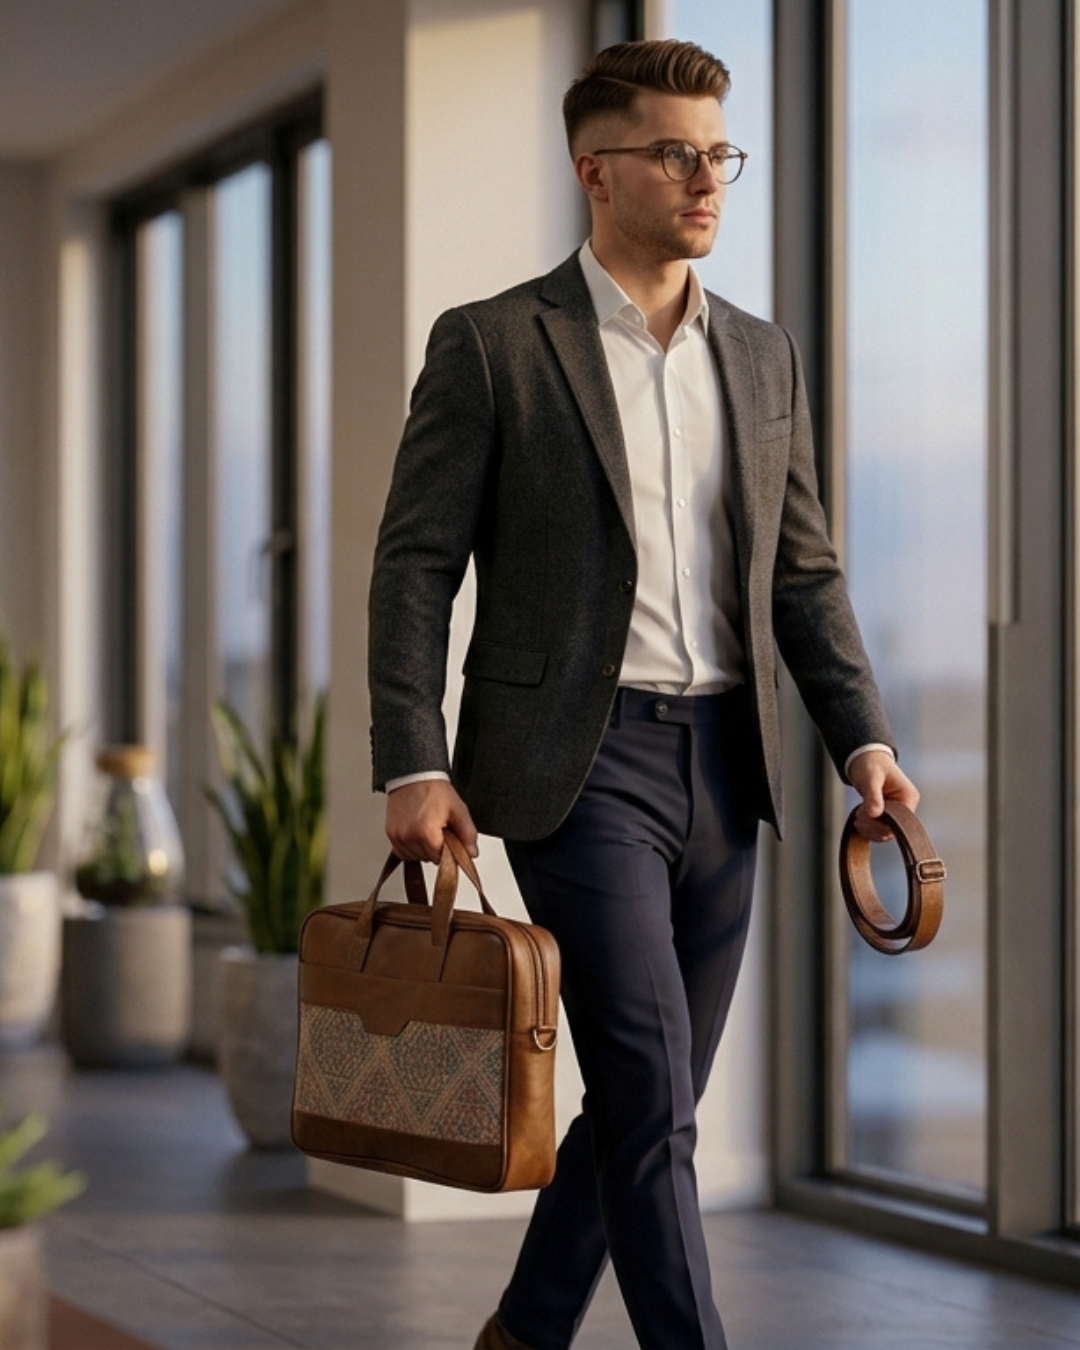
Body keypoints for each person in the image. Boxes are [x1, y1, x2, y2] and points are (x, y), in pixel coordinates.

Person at [367, 37, 918, 1350]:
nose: (706, 179)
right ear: (594, 169)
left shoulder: (765, 357)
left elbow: (805, 572)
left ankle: (525, 1330)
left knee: (636, 1098)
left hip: (730, 763)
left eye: (718, 153)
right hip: (579, 761)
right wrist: (411, 756)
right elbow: (415, 566)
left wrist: (866, 740)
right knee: (655, 1092)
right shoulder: (498, 345)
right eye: (676, 153)